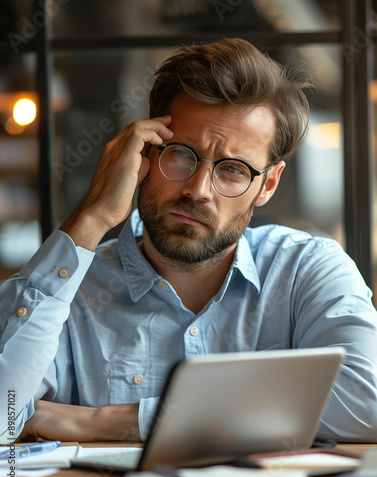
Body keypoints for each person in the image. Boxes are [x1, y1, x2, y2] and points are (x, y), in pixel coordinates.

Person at [1, 38, 377, 445]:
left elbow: (366, 405)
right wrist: (91, 218)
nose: (198, 189)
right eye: (181, 154)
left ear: (267, 184)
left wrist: (107, 422)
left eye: (232, 170)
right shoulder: (67, 292)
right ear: (142, 152)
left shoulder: (307, 270)